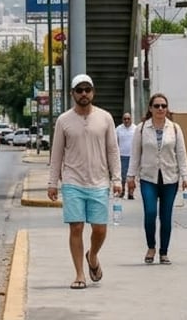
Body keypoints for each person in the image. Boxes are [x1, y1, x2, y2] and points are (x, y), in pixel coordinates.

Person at [46, 74, 123, 290]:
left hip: (99, 182)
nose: (83, 94)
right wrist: (53, 182)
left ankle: (93, 256)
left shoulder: (105, 118)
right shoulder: (63, 120)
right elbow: (57, 154)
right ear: (72, 94)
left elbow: (113, 151)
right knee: (76, 227)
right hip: (72, 181)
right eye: (79, 90)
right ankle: (80, 274)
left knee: (99, 229)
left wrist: (117, 179)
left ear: (93, 92)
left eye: (87, 89)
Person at [125, 92, 187, 265]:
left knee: (166, 216)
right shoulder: (141, 128)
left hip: (170, 178)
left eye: (163, 106)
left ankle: (164, 252)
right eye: (157, 106)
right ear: (150, 108)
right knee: (150, 213)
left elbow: (182, 154)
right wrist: (130, 177)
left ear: (167, 109)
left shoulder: (175, 128)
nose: (160, 109)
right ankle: (151, 246)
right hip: (148, 178)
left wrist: (186, 177)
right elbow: (135, 154)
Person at [116, 112, 136, 200]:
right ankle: (122, 191)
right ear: (122, 120)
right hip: (122, 156)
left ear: (131, 119)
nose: (127, 120)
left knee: (131, 176)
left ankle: (131, 193)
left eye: (128, 119)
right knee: (123, 176)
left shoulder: (135, 128)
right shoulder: (118, 129)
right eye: (125, 119)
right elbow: (115, 142)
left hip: (133, 156)